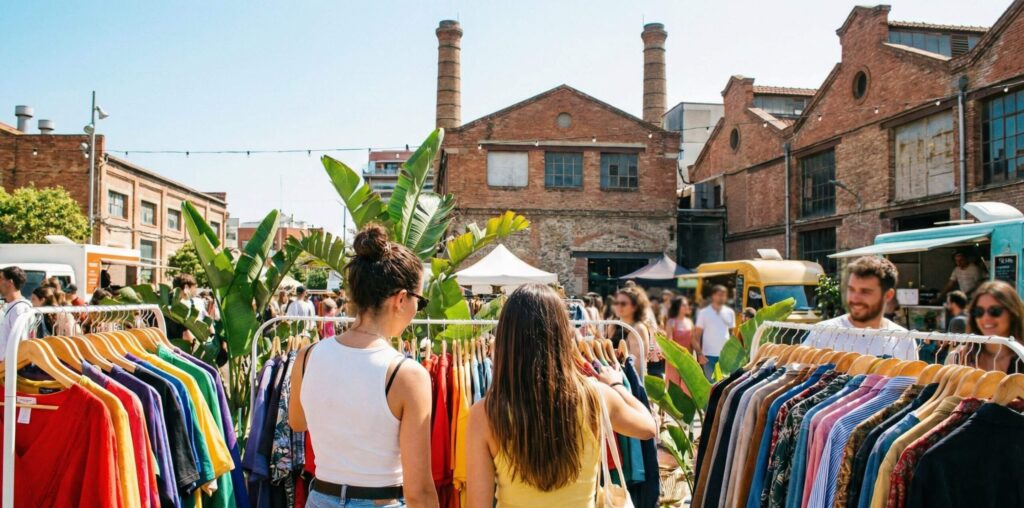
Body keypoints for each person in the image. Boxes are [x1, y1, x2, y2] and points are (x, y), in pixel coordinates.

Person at [465, 284, 657, 508]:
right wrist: (617, 385)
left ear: (507, 339)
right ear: (562, 334)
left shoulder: (485, 414)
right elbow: (648, 427)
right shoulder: (597, 396)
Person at [289, 224, 437, 508]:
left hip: (320, 498)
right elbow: (419, 490)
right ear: (401, 299)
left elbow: (297, 422)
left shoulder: (306, 357)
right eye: (421, 300)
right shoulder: (405, 374)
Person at [805, 256, 916, 359]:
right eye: (851, 289)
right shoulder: (824, 332)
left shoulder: (904, 340)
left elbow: (912, 380)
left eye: (865, 292)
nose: (855, 298)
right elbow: (793, 376)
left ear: (888, 295)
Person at [956, 280, 1024, 373]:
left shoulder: (1021, 356)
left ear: (1012, 313)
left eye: (994, 311)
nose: (985, 318)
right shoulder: (960, 358)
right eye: (979, 311)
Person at [609, 286, 653, 378]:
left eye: (623, 303)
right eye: (616, 303)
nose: (618, 306)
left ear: (634, 307)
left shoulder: (638, 329)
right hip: (616, 378)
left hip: (632, 381)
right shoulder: (613, 325)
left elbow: (637, 366)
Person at [693, 285, 736, 380]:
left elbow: (732, 334)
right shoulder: (704, 313)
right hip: (708, 357)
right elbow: (696, 337)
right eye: (719, 295)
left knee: (724, 385)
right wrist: (699, 354)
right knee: (712, 386)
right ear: (713, 296)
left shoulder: (730, 312)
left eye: (724, 295)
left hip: (725, 356)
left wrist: (735, 353)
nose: (722, 297)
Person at [0, 266, 32, 356]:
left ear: (10, 283)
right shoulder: (12, 306)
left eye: (0, 278)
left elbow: (21, 342)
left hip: (11, 366)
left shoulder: (19, 309)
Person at [665, 296, 695, 387]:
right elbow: (669, 341)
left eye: (687, 305)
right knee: (674, 386)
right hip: (674, 358)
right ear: (678, 307)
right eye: (684, 305)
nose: (687, 307)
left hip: (688, 358)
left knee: (687, 386)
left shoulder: (690, 322)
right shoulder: (671, 322)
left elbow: (693, 341)